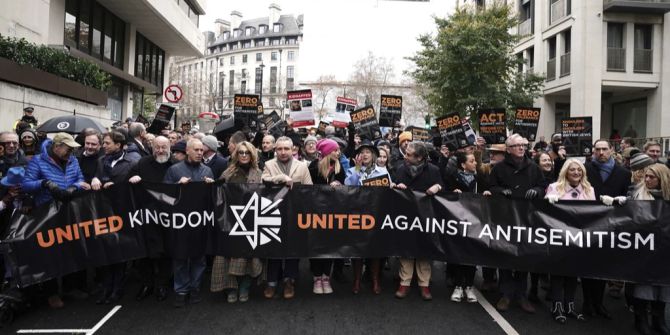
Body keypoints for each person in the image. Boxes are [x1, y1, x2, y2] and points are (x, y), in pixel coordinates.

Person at [22, 132, 88, 308]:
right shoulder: (38, 160)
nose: (71, 153)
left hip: (69, 210)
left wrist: (73, 188)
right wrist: (45, 184)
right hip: (46, 213)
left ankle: (69, 287)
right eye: (68, 149)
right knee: (49, 253)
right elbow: (26, 184)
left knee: (71, 248)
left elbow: (80, 179)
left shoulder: (73, 160)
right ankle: (51, 293)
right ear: (56, 146)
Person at [612, 163, 670, 335]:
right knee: (642, 287)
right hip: (642, 250)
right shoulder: (636, 194)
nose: (647, 180)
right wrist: (622, 203)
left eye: (652, 177)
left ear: (663, 179)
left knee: (663, 286)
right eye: (646, 176)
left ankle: (659, 320)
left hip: (664, 251)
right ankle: (641, 319)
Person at [489, 134, 544, 313]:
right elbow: (491, 187)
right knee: (505, 255)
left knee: (524, 257)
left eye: (523, 145)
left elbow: (543, 186)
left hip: (527, 219)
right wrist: (500, 191)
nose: (521, 148)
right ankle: (505, 294)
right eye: (517, 145)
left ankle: (521, 295)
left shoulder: (534, 168)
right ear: (509, 149)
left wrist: (536, 190)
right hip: (505, 219)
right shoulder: (499, 168)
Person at [164, 139, 215, 308]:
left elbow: (214, 199)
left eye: (202, 150)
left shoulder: (207, 170)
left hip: (199, 223)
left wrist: (211, 187)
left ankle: (195, 288)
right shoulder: (174, 170)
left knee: (198, 258)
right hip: (180, 223)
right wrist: (177, 186)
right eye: (196, 150)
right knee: (180, 257)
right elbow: (164, 196)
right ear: (187, 151)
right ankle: (181, 291)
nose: (200, 153)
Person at [583, 139, 631, 319]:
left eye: (605, 149)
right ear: (593, 151)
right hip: (587, 224)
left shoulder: (624, 173)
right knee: (587, 266)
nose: (601, 152)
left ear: (612, 150)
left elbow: (627, 199)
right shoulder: (585, 169)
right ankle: (587, 302)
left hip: (611, 226)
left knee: (603, 267)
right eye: (598, 149)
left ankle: (598, 303)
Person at [211, 141, 263, 303]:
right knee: (227, 257)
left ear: (252, 154)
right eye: (240, 152)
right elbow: (218, 194)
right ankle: (231, 288)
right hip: (230, 221)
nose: (244, 155)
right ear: (236, 155)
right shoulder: (228, 173)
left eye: (247, 152)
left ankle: (244, 287)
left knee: (249, 257)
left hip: (251, 221)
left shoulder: (259, 173)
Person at [261, 136, 313, 299]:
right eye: (279, 149)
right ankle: (271, 282)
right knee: (274, 249)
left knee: (293, 249)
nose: (283, 152)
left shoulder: (302, 166)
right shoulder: (269, 165)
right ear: (275, 150)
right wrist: (281, 178)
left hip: (295, 215)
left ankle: (289, 280)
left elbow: (309, 189)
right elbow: (264, 180)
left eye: (286, 149)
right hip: (273, 215)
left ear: (293, 150)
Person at [544, 159, 594, 324]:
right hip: (559, 237)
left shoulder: (589, 190)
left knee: (573, 273)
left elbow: (594, 214)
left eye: (579, 170)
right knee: (558, 273)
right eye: (572, 170)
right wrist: (548, 200)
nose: (576, 173)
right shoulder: (554, 188)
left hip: (578, 238)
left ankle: (570, 306)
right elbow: (544, 214)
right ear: (566, 171)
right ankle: (557, 306)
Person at [90, 131, 138, 304]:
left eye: (107, 143)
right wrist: (95, 178)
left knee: (119, 251)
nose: (104, 146)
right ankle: (106, 287)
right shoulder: (101, 161)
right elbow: (96, 176)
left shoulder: (132, 162)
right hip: (103, 212)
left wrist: (118, 184)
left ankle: (117, 288)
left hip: (122, 212)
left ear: (118, 145)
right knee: (105, 250)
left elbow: (134, 186)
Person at [393, 141, 444, 301]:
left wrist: (438, 187)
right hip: (405, 216)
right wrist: (395, 185)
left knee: (424, 250)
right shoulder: (400, 168)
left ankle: (424, 284)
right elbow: (392, 186)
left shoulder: (434, 170)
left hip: (425, 217)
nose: (405, 156)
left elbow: (443, 186)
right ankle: (404, 283)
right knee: (406, 250)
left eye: (409, 154)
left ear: (420, 157)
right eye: (405, 153)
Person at [127, 136, 174, 302]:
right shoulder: (141, 164)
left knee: (166, 252)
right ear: (151, 147)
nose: (160, 151)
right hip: (145, 216)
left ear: (170, 147)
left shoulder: (174, 165)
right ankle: (147, 283)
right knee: (144, 253)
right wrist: (132, 179)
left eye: (163, 147)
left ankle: (162, 284)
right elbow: (127, 183)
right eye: (157, 147)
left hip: (167, 217)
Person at [445, 151, 491, 303]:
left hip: (476, 221)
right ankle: (458, 286)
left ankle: (469, 286)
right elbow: (445, 194)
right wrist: (452, 193)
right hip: (457, 221)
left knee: (472, 254)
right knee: (459, 253)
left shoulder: (480, 178)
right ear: (463, 165)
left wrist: (487, 192)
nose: (475, 163)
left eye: (475, 161)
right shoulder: (453, 178)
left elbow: (490, 190)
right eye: (471, 161)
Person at [307, 139, 344, 295]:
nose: (338, 153)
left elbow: (344, 187)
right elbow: (308, 189)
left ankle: (326, 277)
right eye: (335, 150)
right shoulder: (314, 167)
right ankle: (317, 278)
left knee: (330, 246)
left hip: (333, 213)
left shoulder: (339, 167)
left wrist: (339, 185)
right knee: (316, 246)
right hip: (315, 213)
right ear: (328, 151)